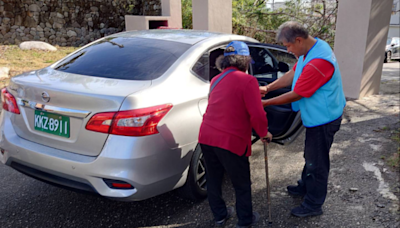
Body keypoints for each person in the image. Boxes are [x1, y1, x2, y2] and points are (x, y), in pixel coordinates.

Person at [260, 21, 346, 218]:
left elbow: (297, 93)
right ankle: (305, 186)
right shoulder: (313, 48)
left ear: (298, 40)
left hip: (324, 118)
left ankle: (314, 204)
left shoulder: (319, 61)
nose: (288, 50)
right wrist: (268, 87)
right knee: (311, 156)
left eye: (288, 46)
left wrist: (265, 103)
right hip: (319, 113)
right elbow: (293, 74)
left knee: (317, 161)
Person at [199, 41, 272, 228]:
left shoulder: (216, 80)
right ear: (245, 60)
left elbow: (225, 102)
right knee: (241, 183)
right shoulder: (248, 81)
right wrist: (264, 133)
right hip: (230, 140)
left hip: (206, 136)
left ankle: (220, 216)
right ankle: (245, 220)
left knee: (214, 179)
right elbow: (257, 114)